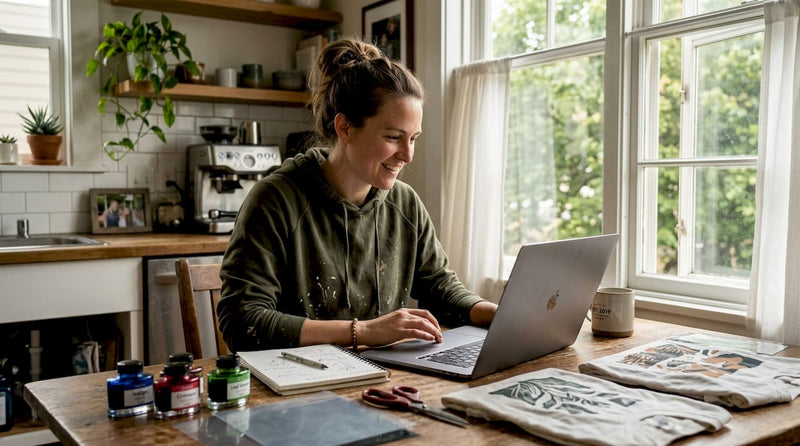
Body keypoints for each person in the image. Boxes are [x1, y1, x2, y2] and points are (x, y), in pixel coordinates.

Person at [218, 37, 497, 352]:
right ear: (345, 128)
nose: (407, 155)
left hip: (382, 380)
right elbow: (242, 322)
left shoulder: (405, 204)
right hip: (296, 388)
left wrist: (500, 315)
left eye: (414, 138)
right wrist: (362, 331)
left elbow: (443, 291)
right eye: (393, 137)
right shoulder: (275, 200)